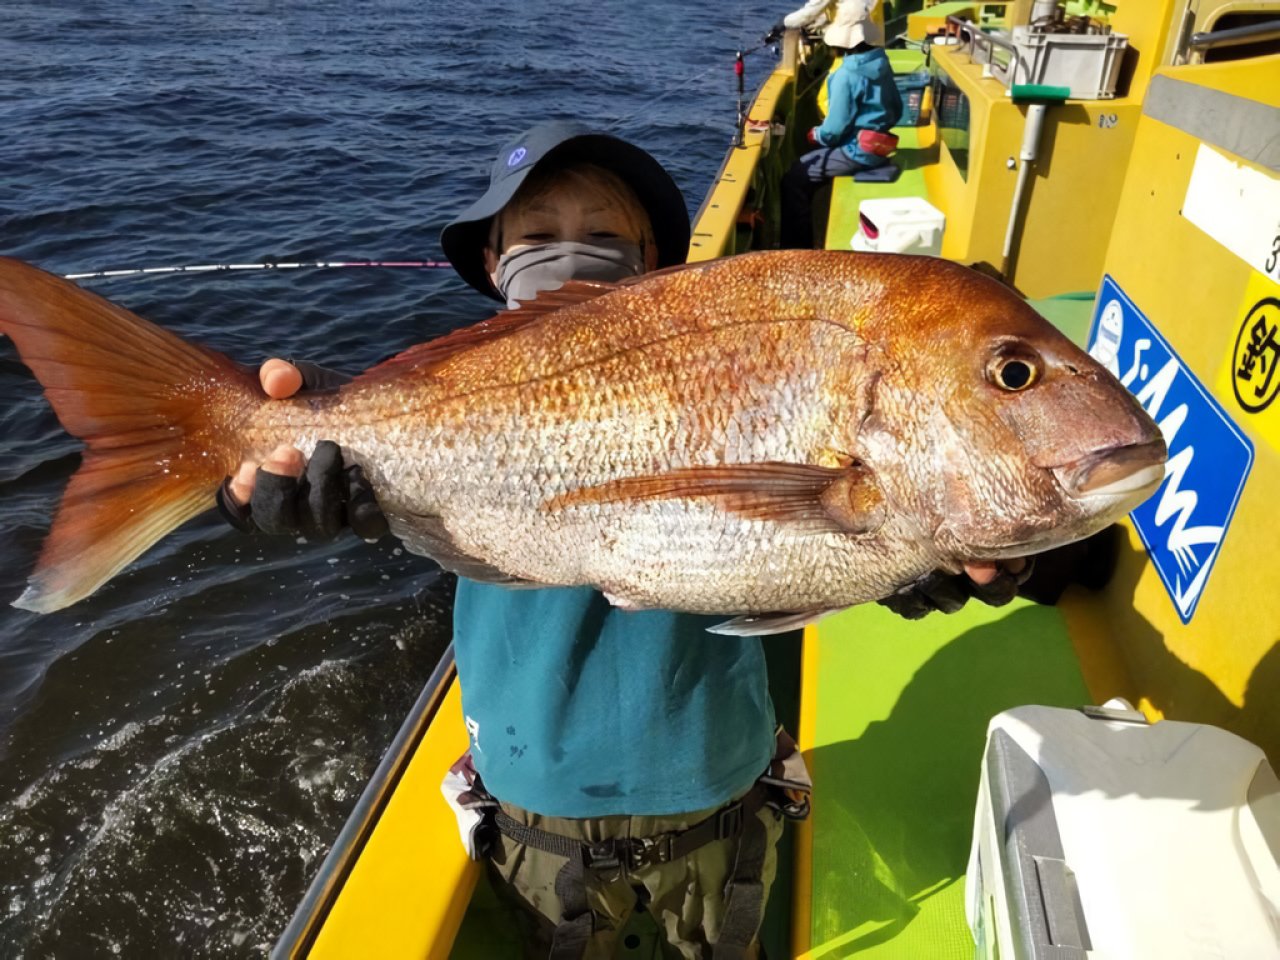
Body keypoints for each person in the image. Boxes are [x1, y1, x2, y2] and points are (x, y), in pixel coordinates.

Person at [218, 122, 1031, 957]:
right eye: (535, 237)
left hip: (720, 785)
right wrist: (289, 458)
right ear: (493, 265)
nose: (571, 255)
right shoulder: (454, 395)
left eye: (607, 236)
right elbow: (381, 450)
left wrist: (904, 564)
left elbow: (783, 542)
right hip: (534, 799)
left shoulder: (717, 367)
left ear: (652, 270)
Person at [780, 0, 904, 249]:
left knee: (795, 178)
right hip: (881, 147)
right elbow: (898, 110)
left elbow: (832, 132)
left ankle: (797, 249)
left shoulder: (845, 75)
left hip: (857, 154)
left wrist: (815, 134)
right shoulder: (881, 62)